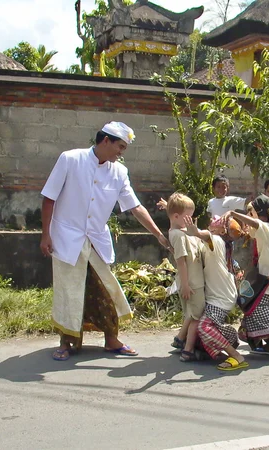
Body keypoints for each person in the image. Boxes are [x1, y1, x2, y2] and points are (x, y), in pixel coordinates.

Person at [40, 121, 171, 361]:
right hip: (66, 238)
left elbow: (135, 206)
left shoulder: (119, 172)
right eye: (120, 146)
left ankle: (111, 340)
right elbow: (49, 197)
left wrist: (158, 234)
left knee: (106, 289)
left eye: (124, 148)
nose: (121, 152)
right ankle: (67, 342)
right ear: (106, 140)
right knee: (69, 291)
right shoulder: (70, 159)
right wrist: (45, 234)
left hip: (97, 241)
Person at [222, 195, 269, 358]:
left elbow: (255, 224)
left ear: (259, 212)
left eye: (253, 211)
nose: (250, 214)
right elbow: (250, 230)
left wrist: (234, 213)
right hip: (267, 275)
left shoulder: (267, 226)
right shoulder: (265, 227)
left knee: (258, 309)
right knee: (257, 306)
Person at [183, 214, 249, 371]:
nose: (214, 219)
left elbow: (204, 235)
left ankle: (236, 356)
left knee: (204, 327)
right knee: (206, 325)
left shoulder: (217, 240)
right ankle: (224, 344)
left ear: (222, 230)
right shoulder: (219, 242)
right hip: (221, 294)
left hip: (221, 297)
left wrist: (197, 232)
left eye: (218, 221)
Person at [165, 193, 207, 362]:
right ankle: (188, 350)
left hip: (192, 281)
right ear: (176, 216)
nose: (191, 220)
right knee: (197, 316)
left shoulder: (179, 231)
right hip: (193, 282)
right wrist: (185, 285)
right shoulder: (179, 236)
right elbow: (181, 262)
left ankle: (180, 339)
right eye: (188, 217)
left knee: (191, 313)